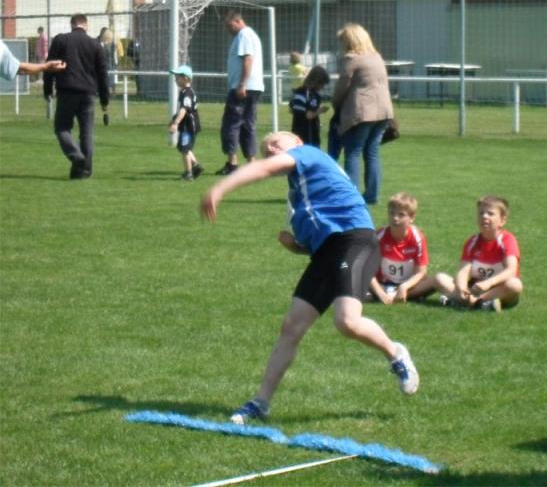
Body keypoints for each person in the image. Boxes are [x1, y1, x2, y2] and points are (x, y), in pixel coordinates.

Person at [200, 131, 419, 424]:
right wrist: (296, 246)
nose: (271, 150)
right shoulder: (299, 194)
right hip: (328, 252)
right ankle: (260, 402)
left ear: (297, 141)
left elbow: (263, 169)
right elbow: (316, 242)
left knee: (347, 321)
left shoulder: (308, 154)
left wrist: (220, 188)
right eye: (266, 149)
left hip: (355, 240)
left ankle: (396, 353)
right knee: (291, 326)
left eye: (275, 143)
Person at [331, 23, 394, 204]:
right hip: (383, 112)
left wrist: (336, 105)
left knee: (353, 153)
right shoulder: (376, 57)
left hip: (362, 113)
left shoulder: (351, 59)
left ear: (349, 41)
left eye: (342, 41)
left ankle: (351, 196)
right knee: (372, 153)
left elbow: (341, 88)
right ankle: (372, 195)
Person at [43, 13, 109, 180]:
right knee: (87, 133)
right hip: (88, 93)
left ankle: (77, 157)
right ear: (86, 25)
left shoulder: (60, 40)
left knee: (62, 128)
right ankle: (85, 171)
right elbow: (102, 74)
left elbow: (49, 66)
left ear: (72, 24)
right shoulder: (95, 45)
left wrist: (47, 89)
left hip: (67, 91)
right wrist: (104, 100)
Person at [434, 195, 523, 312]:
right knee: (440, 278)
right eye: (481, 213)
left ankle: (469, 301)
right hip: (474, 290)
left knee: (515, 285)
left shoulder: (507, 240)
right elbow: (463, 271)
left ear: (502, 221)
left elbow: (511, 270)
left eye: (490, 214)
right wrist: (462, 288)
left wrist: (488, 283)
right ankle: (481, 304)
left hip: (498, 290)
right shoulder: (473, 242)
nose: (484, 216)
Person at [216, 11, 264, 176]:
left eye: (229, 26)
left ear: (237, 21)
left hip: (243, 87)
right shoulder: (250, 35)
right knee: (247, 125)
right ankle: (252, 163)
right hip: (253, 87)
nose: (228, 30)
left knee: (231, 124)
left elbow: (248, 59)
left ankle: (232, 163)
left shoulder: (244, 35)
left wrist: (242, 84)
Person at [368, 192, 436, 305]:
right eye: (392, 213)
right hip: (382, 285)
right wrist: (380, 293)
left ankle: (399, 294)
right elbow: (367, 269)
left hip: (408, 287)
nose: (395, 218)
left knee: (438, 279)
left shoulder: (418, 238)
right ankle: (379, 294)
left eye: (401, 215)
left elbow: (421, 272)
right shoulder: (379, 236)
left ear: (412, 218)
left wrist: (404, 287)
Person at [167, 64, 203, 181]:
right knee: (182, 147)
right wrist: (173, 119)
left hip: (189, 127)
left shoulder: (187, 93)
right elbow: (180, 110)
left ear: (186, 78)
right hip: (186, 126)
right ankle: (196, 166)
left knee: (185, 149)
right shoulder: (184, 92)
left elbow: (184, 109)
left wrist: (176, 123)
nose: (175, 80)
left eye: (178, 77)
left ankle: (189, 173)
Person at [289, 65, 330, 147]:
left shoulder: (298, 91)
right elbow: (309, 115)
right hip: (309, 134)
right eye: (322, 84)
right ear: (317, 82)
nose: (322, 87)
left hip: (296, 133)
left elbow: (291, 110)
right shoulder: (313, 95)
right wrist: (320, 110)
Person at [0, 40, 64, 81]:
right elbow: (18, 69)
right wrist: (45, 66)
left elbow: (17, 69)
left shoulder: (1, 47)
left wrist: (46, 66)